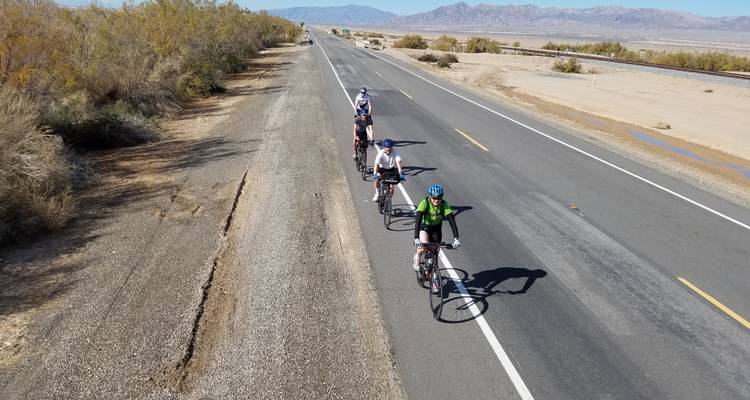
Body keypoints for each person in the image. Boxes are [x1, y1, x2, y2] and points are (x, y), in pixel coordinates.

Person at [413, 184, 460, 271]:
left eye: (439, 198)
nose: (436, 200)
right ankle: (417, 257)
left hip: (436, 229)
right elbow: (418, 220)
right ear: (430, 196)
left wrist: (456, 238)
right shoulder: (424, 203)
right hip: (425, 228)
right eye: (434, 198)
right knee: (424, 247)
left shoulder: (444, 205)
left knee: (436, 251)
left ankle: (433, 274)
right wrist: (416, 238)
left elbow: (452, 221)